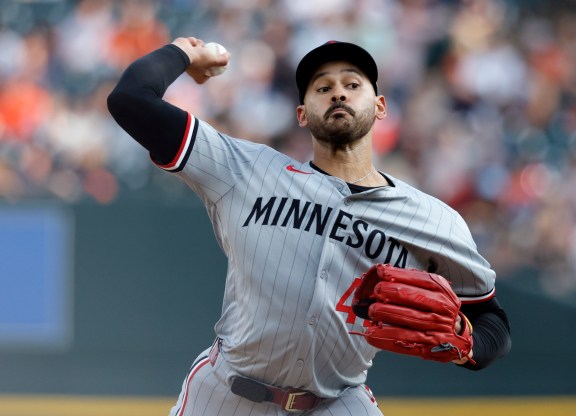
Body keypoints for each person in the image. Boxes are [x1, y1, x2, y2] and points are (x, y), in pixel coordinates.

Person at [107, 37, 511, 416]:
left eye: (353, 84)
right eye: (322, 88)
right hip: (226, 394)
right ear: (302, 114)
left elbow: (492, 321)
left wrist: (466, 340)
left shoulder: (433, 220)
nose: (338, 92)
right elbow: (130, 100)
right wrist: (182, 52)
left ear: (381, 106)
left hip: (339, 401)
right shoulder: (243, 170)